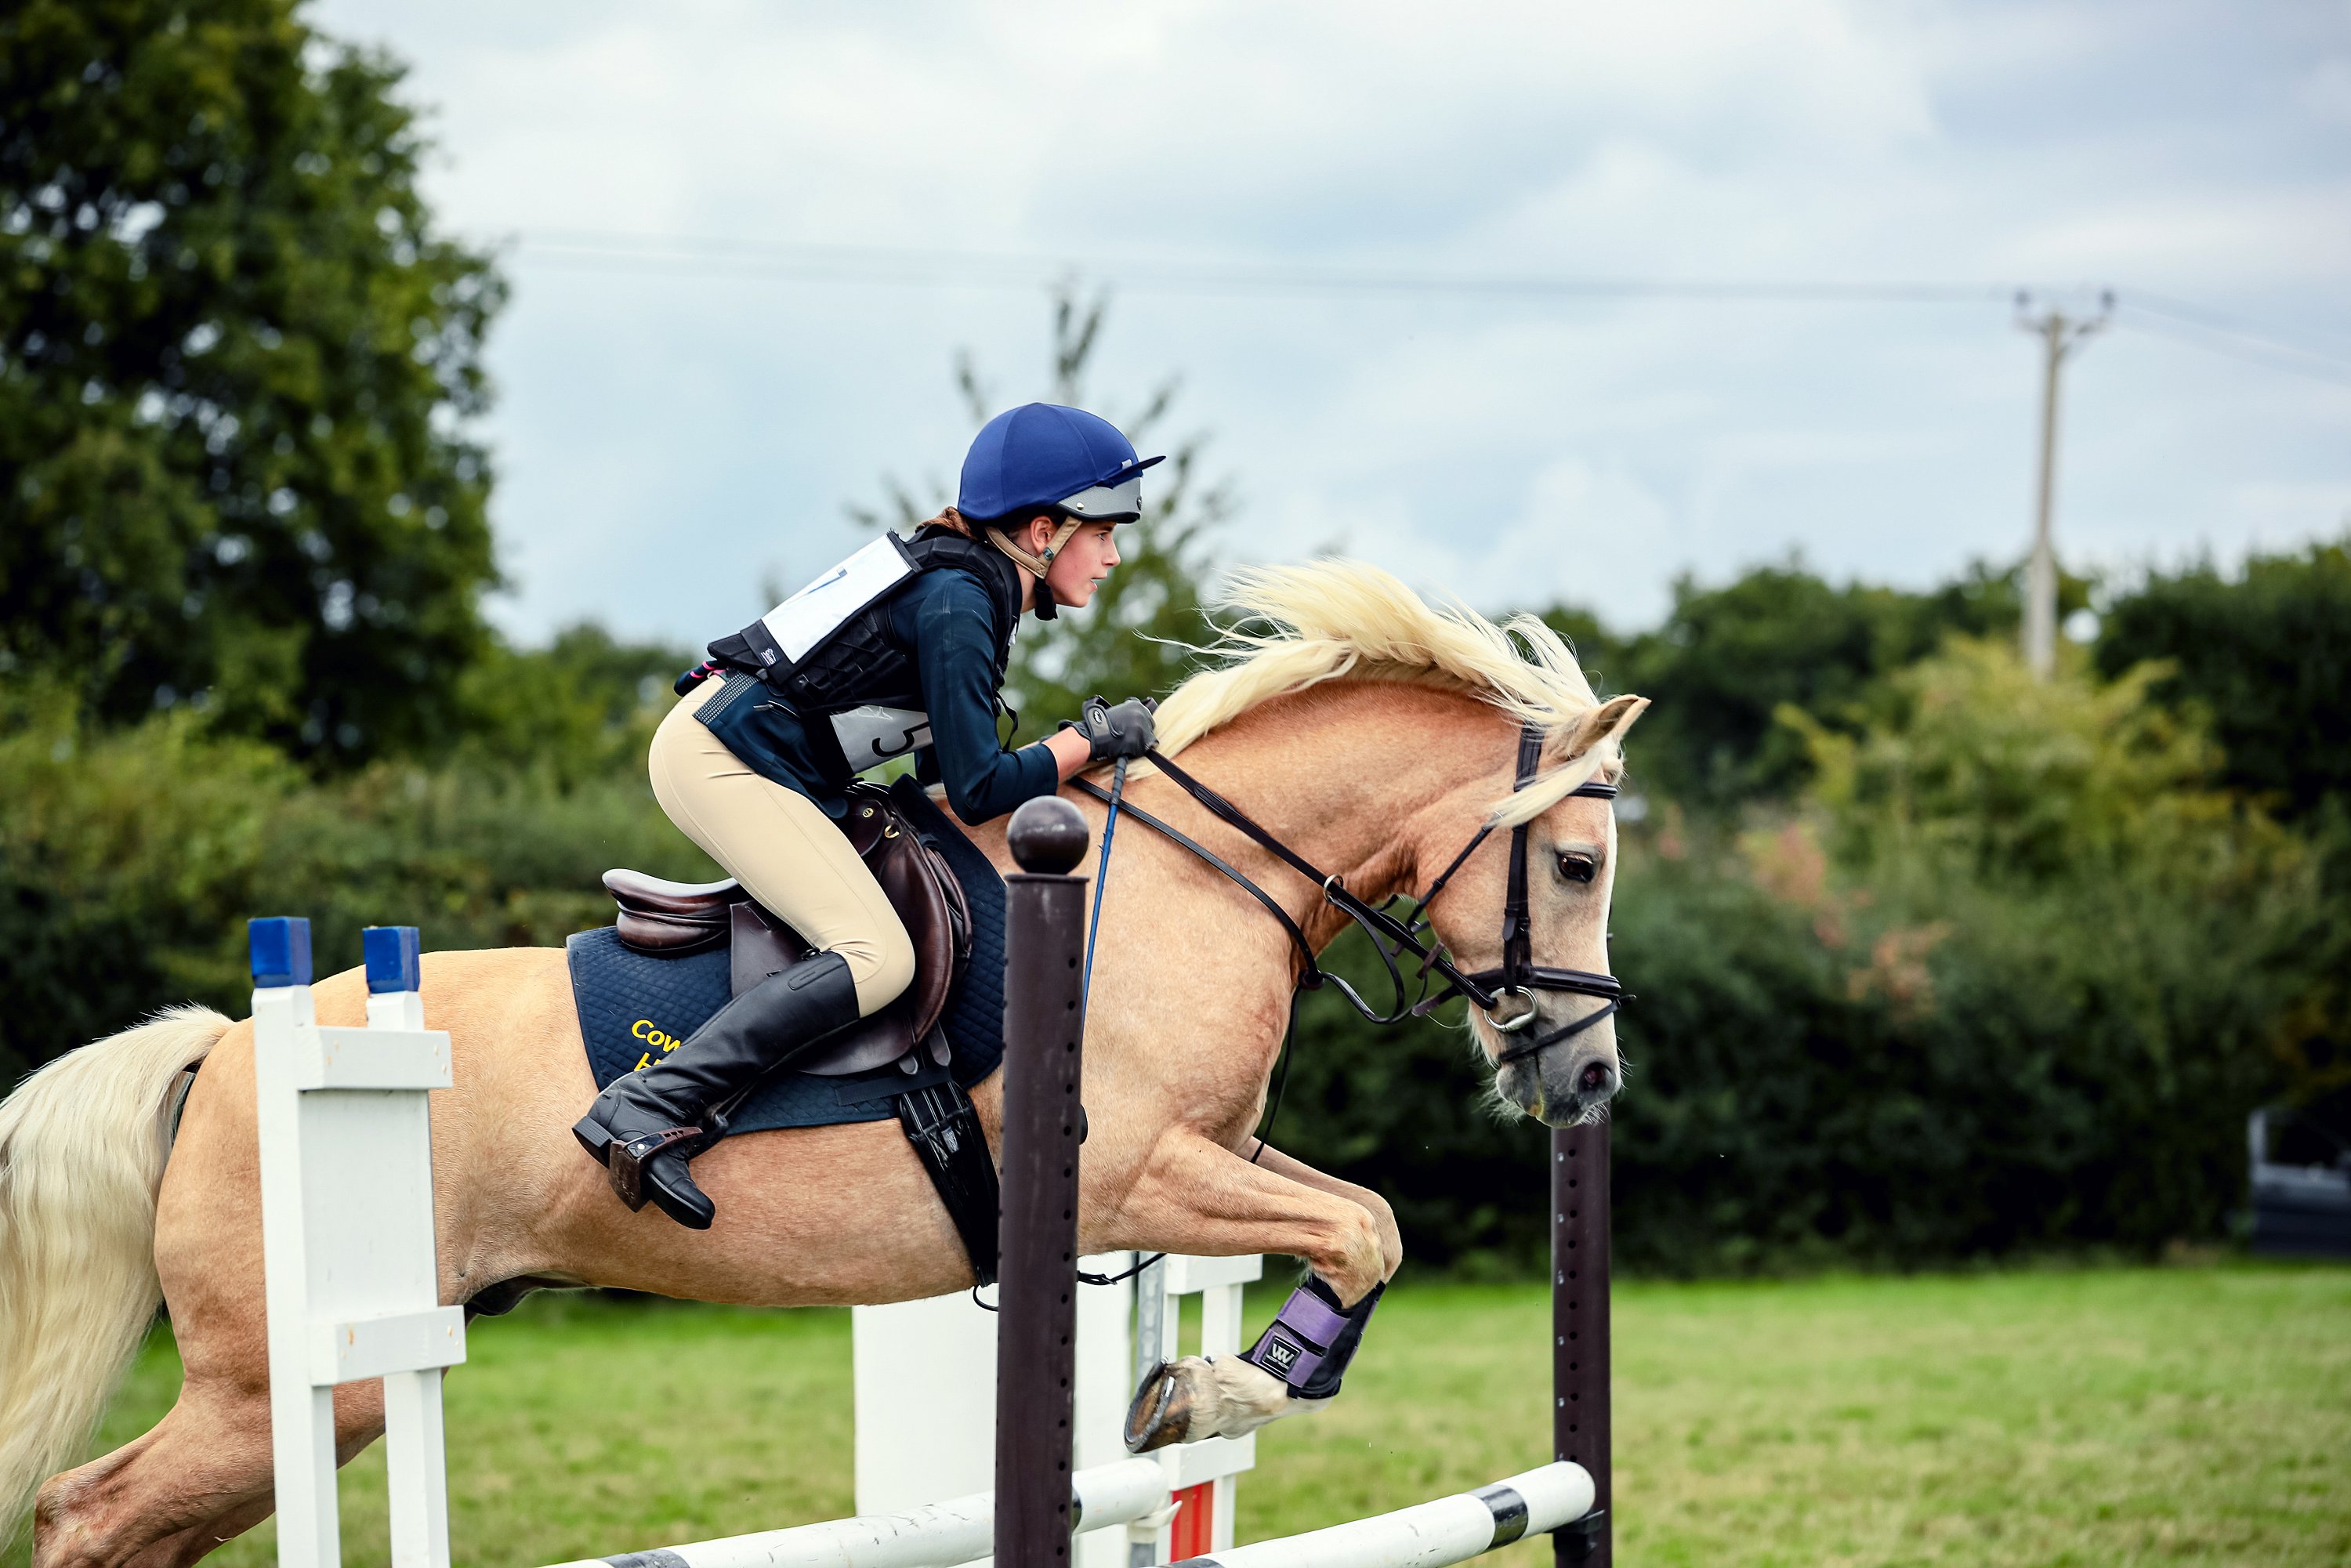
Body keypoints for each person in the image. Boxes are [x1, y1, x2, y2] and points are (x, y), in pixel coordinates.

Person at [574, 404, 1161, 1228]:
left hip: (753, 755)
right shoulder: (960, 601)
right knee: (875, 956)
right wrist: (1086, 740)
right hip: (720, 759)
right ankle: (645, 1105)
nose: (1114, 555)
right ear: (1041, 532)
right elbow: (986, 786)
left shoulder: (971, 586)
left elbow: (940, 778)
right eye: (1103, 531)